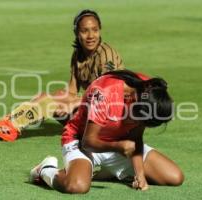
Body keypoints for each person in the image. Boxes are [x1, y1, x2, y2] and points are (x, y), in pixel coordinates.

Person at [0, 9, 125, 141]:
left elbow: (105, 95)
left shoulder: (106, 55)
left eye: (95, 30)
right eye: (85, 31)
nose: (91, 36)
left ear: (100, 30)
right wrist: (48, 99)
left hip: (109, 120)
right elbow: (71, 92)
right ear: (77, 33)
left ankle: (8, 126)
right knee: (47, 97)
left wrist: (72, 105)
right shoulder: (78, 54)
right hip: (92, 111)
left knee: (53, 103)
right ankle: (4, 125)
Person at [29, 70, 184, 193]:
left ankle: (110, 171)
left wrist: (140, 175)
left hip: (119, 145)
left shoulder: (148, 92)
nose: (137, 123)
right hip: (82, 142)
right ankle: (45, 169)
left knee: (175, 177)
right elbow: (88, 142)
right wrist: (118, 146)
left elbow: (135, 138)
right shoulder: (103, 93)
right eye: (138, 119)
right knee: (76, 186)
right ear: (134, 99)